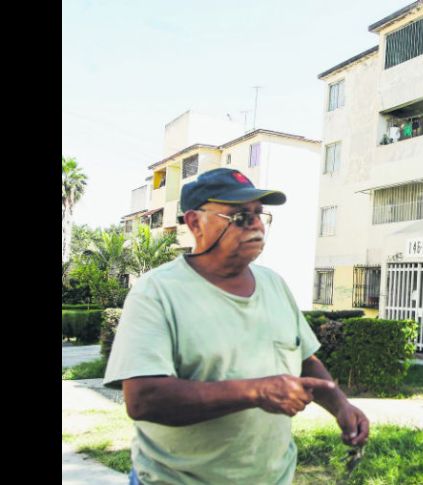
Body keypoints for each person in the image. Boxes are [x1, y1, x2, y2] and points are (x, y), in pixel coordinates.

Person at [104, 168, 369, 484]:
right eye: (241, 217)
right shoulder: (157, 292)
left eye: (260, 215)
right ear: (194, 222)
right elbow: (143, 399)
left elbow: (304, 359)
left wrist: (341, 406)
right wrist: (257, 391)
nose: (256, 226)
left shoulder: (274, 285)